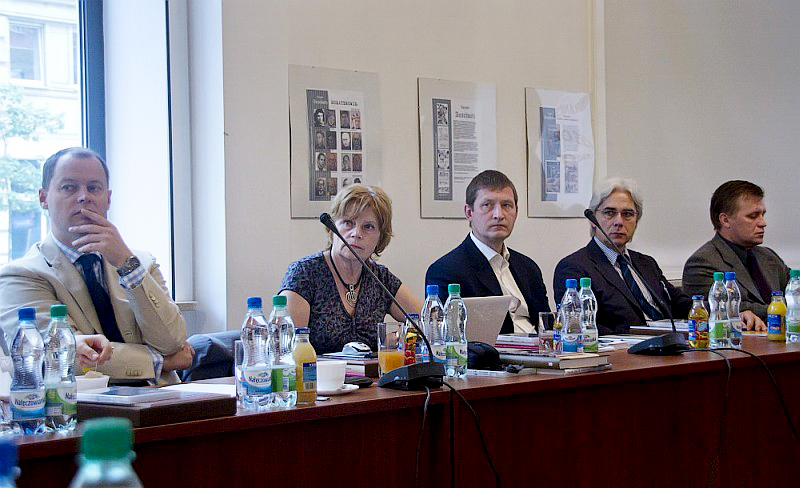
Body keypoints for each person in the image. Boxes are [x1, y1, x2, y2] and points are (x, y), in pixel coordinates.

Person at [0, 147, 193, 384]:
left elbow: (173, 341)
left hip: (167, 403)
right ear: (43, 198)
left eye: (94, 188)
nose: (84, 197)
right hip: (84, 410)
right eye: (69, 187)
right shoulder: (21, 275)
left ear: (108, 199)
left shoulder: (140, 263)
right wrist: (160, 361)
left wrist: (125, 263)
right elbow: (59, 357)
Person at [279, 184, 421, 354]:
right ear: (332, 228)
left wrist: (399, 338)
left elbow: (430, 322)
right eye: (348, 223)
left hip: (372, 380)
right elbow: (284, 350)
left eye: (368, 226)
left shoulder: (381, 278)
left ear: (380, 237)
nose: (356, 233)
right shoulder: (304, 274)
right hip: (316, 378)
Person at [553, 178, 691, 334]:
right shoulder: (575, 267)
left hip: (671, 347)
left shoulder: (646, 263)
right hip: (624, 352)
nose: (619, 222)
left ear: (637, 221)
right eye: (609, 213)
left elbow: (681, 305)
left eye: (627, 214)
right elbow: (580, 325)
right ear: (593, 220)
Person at [425, 170, 550, 334]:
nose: (499, 215)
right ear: (469, 213)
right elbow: (448, 339)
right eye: (487, 205)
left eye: (506, 205)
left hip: (542, 354)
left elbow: (547, 326)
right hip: (496, 358)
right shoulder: (446, 271)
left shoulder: (528, 267)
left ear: (516, 212)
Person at [683, 180, 789, 330]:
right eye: (753, 216)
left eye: (763, 215)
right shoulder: (702, 263)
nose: (763, 223)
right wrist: (788, 311)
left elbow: (795, 292)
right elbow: (729, 308)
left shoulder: (768, 257)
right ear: (725, 220)